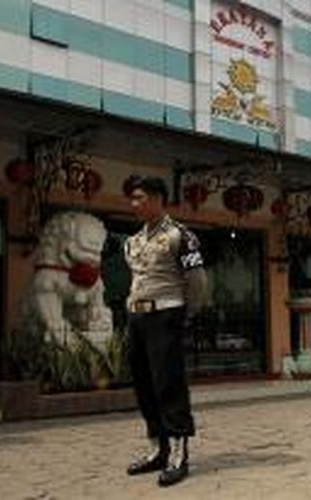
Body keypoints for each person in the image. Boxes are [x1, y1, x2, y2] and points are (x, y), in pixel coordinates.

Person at [123, 176, 207, 487]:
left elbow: (197, 280)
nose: (134, 204)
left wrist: (186, 314)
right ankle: (157, 448)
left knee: (168, 384)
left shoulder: (180, 235)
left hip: (166, 315)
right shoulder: (133, 241)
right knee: (144, 384)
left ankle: (178, 453)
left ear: (158, 198)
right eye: (132, 198)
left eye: (139, 197)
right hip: (137, 318)